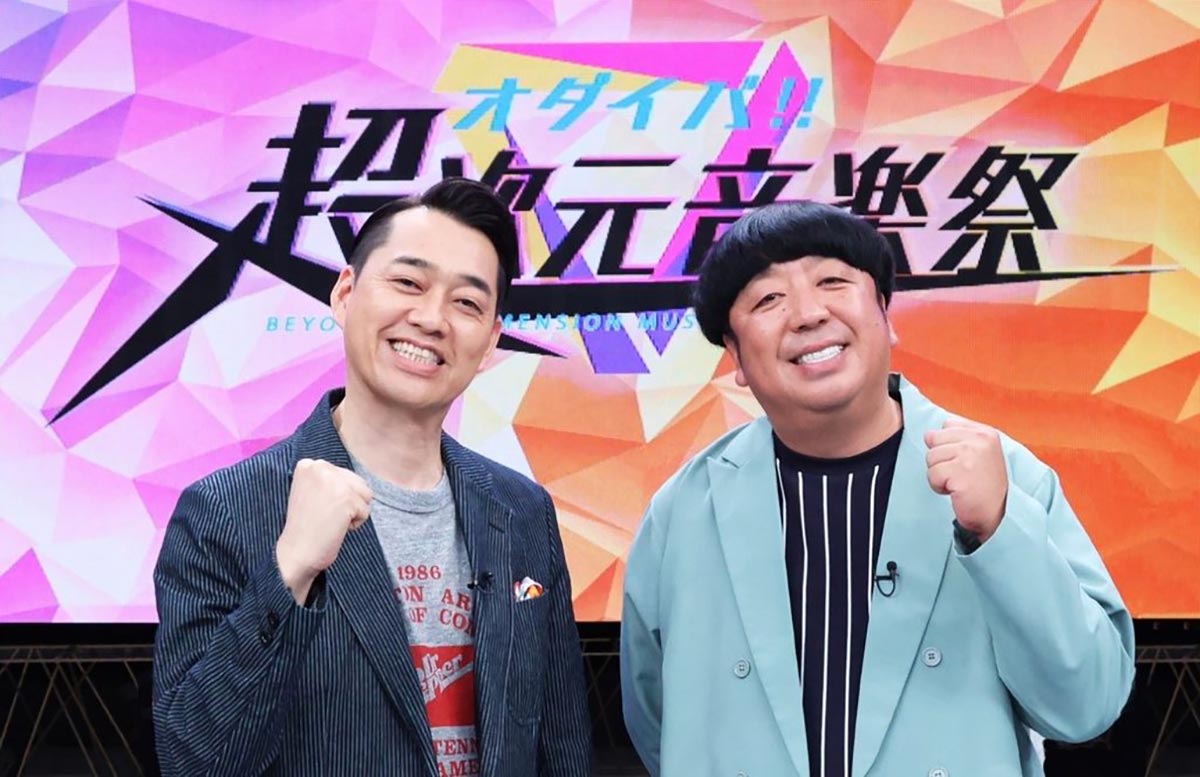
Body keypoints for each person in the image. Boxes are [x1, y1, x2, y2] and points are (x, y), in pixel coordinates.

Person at [620, 201, 1135, 777]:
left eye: (833, 282)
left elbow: (1087, 705)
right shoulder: (684, 512)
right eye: (768, 299)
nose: (808, 314)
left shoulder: (1005, 475)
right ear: (735, 354)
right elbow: (657, 720)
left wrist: (998, 531)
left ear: (886, 315)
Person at [153, 178, 592, 776]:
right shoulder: (226, 509)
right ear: (345, 293)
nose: (431, 319)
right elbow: (194, 762)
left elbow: (561, 749)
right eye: (408, 283)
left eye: (467, 303)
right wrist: (290, 573)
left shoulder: (522, 512)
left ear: (491, 340)